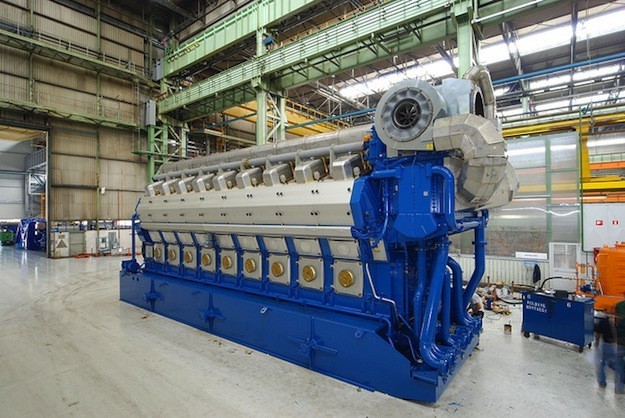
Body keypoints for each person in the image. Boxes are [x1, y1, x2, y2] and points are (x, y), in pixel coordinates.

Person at [594, 310, 623, 393]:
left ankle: (602, 382)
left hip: (606, 344)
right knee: (617, 365)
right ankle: (619, 386)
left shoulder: (604, 321)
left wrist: (597, 343)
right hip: (617, 345)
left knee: (602, 363)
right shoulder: (618, 321)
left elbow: (598, 333)